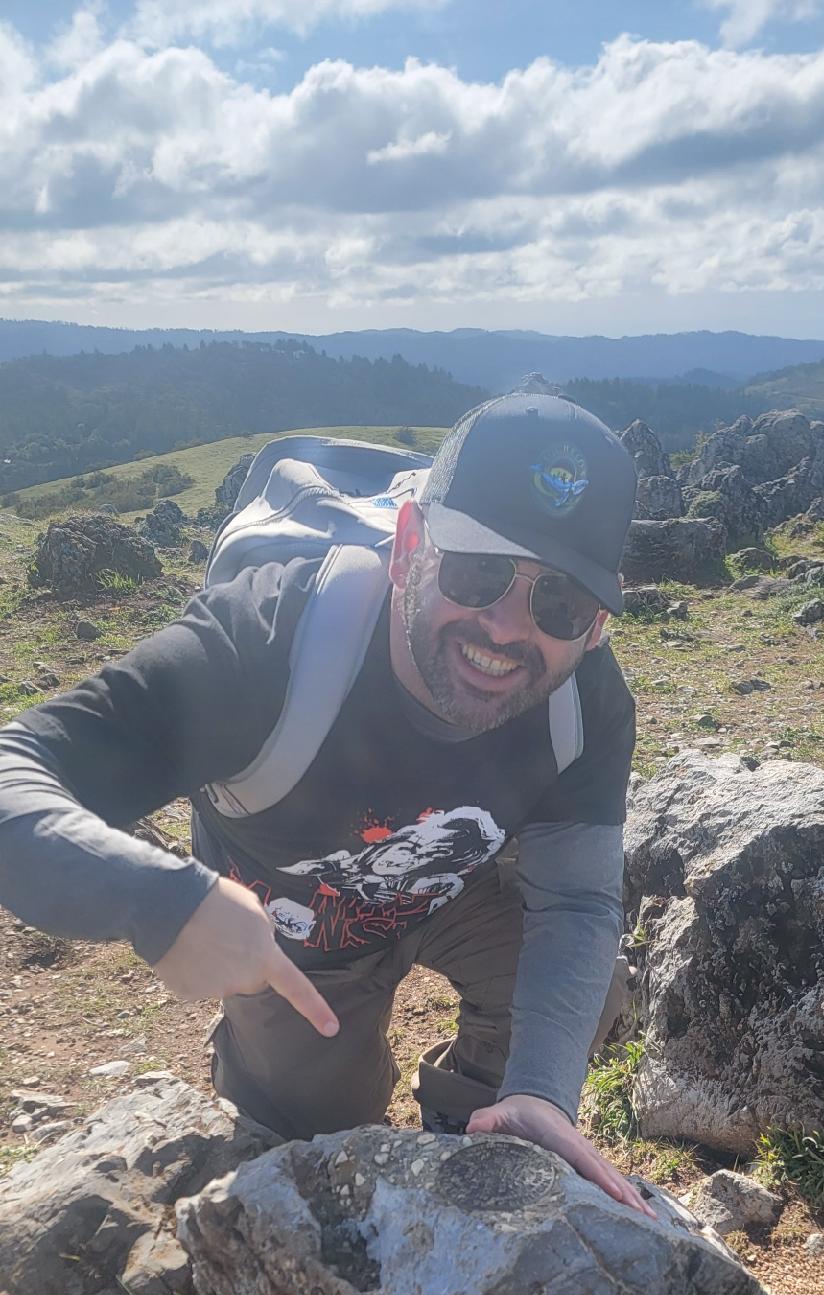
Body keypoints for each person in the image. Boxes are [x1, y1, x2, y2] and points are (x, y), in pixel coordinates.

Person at [0, 391, 654, 1215]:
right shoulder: (267, 643)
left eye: (560, 603)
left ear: (596, 625)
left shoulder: (584, 702)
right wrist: (157, 901)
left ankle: (478, 1131)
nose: (505, 628)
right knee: (310, 1150)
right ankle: (267, 1067)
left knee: (584, 994)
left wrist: (543, 1091)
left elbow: (578, 902)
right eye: (477, 570)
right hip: (289, 937)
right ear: (410, 545)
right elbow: (15, 771)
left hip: (456, 890)